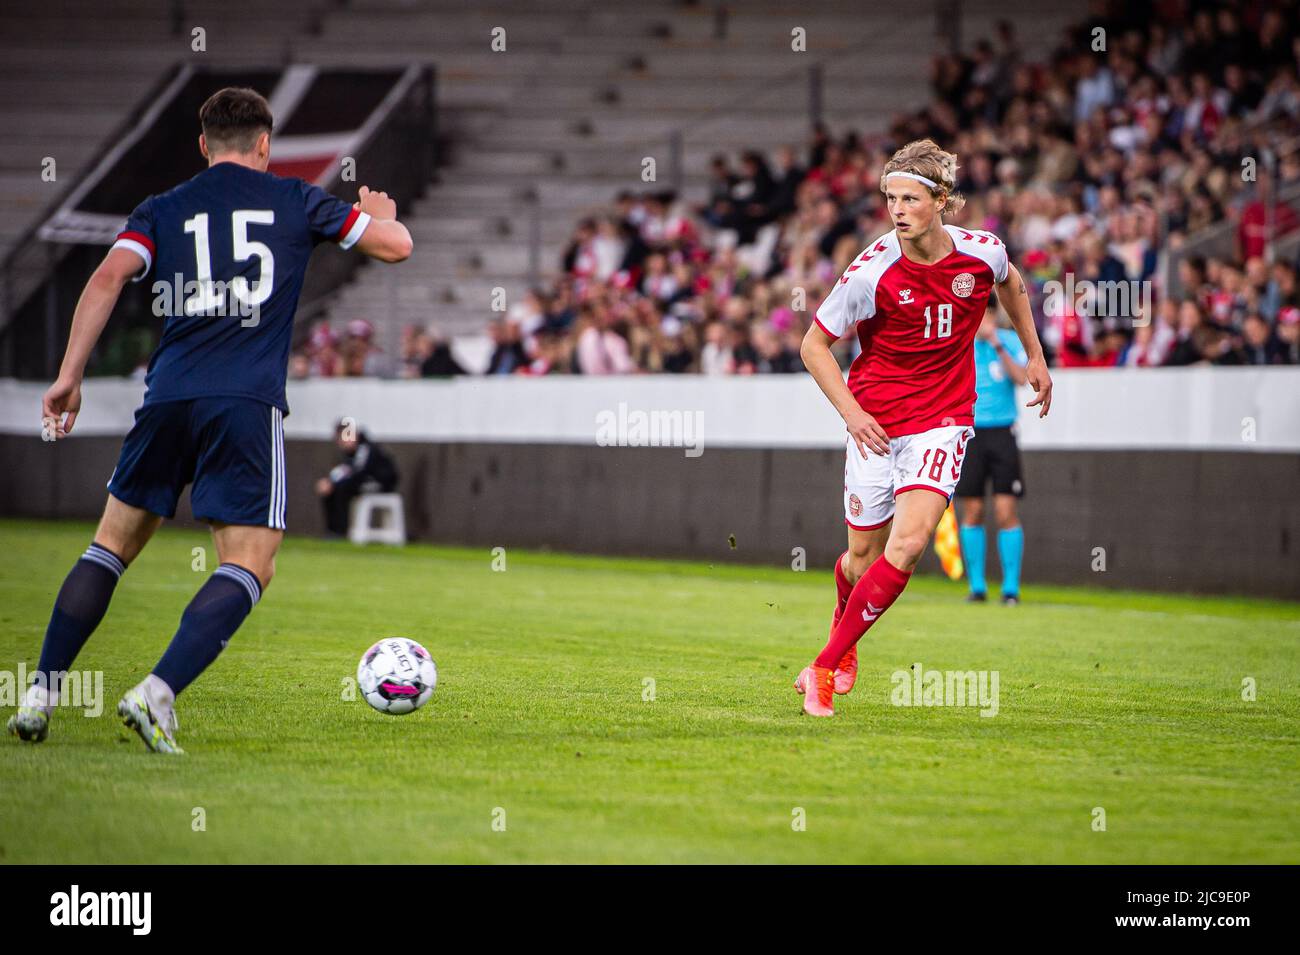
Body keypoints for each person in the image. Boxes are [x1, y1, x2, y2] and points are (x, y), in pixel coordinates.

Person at [8, 87, 413, 753]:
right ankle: (156, 692)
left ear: (203, 145)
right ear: (264, 144)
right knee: (252, 561)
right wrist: (378, 214)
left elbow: (108, 277)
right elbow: (396, 247)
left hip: (167, 396)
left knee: (108, 547)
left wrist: (69, 375)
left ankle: (39, 694)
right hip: (244, 403)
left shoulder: (162, 209)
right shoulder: (297, 198)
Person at [795, 138, 1052, 718]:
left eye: (909, 198)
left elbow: (1010, 283)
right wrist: (853, 415)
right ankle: (843, 638)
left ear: (941, 201)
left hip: (943, 421)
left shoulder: (982, 252)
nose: (897, 209)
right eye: (890, 198)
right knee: (861, 558)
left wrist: (1034, 355)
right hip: (876, 425)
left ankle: (825, 667)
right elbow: (813, 345)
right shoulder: (871, 270)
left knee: (910, 546)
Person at [954, 296, 1029, 605]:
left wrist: (996, 343)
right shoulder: (959, 345)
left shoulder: (1009, 341)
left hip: (1002, 433)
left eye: (988, 315)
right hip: (969, 432)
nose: (983, 321)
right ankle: (977, 586)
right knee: (972, 510)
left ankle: (1010, 589)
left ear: (996, 316)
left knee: (1005, 511)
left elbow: (1023, 379)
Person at [316, 420, 400, 536]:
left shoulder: (365, 449)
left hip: (380, 483)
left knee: (342, 489)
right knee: (331, 490)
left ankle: (341, 531)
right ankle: (332, 530)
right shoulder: (349, 454)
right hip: (362, 481)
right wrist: (330, 482)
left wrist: (335, 483)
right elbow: (343, 471)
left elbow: (359, 472)